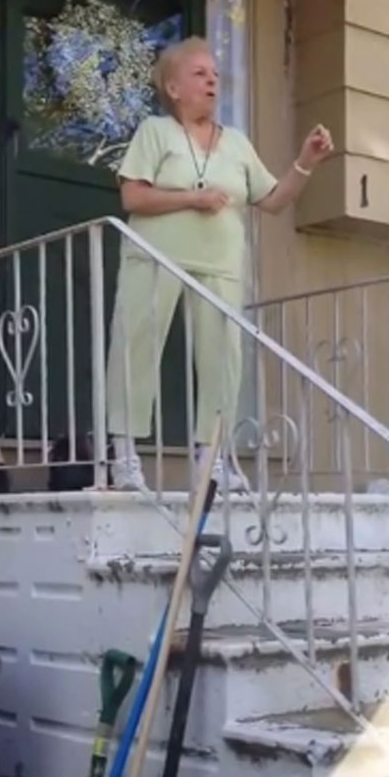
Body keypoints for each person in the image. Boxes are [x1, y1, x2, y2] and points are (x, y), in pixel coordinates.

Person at [106, 36, 333, 491]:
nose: (212, 81)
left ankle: (211, 461)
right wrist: (194, 198)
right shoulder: (155, 131)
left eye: (215, 74)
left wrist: (306, 162)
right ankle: (125, 457)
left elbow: (274, 200)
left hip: (221, 264)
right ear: (173, 88)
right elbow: (133, 196)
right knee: (137, 347)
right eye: (199, 74)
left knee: (223, 359)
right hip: (155, 257)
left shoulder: (238, 144)